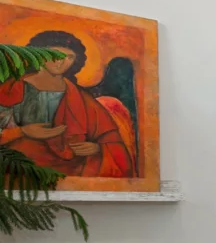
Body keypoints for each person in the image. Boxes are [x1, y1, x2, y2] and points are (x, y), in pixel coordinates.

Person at [0, 30, 132, 178]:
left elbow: (110, 137)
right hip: (17, 169)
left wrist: (97, 148)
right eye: (55, 54)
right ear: (38, 54)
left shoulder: (81, 97)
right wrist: (21, 132)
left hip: (71, 169)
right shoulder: (10, 88)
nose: (61, 62)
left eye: (69, 57)